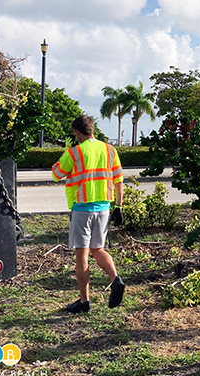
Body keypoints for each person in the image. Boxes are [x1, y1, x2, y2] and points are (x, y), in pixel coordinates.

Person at [52, 115, 126, 313]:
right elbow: (119, 180)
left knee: (82, 254)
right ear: (93, 129)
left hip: (82, 208)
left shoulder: (75, 152)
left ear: (77, 132)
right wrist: (119, 206)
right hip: (104, 207)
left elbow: (56, 173)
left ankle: (84, 302)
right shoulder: (110, 150)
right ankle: (115, 279)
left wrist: (65, 156)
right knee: (98, 249)